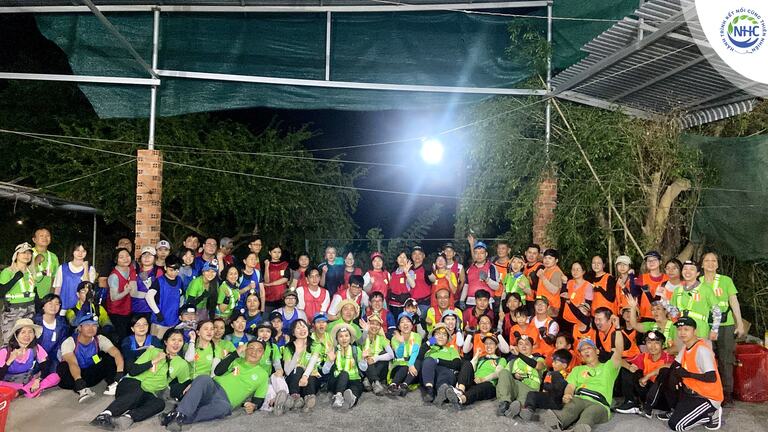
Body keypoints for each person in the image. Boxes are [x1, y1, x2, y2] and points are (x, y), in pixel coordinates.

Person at [90, 328, 191, 430]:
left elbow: (185, 383)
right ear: (166, 341)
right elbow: (133, 371)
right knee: (138, 389)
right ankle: (104, 415)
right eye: (173, 340)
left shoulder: (182, 364)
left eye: (180, 340)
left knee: (159, 404)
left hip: (147, 393)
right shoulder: (153, 351)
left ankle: (128, 417)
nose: (176, 343)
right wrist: (155, 360)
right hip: (130, 385)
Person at [160, 339, 269, 432]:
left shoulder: (263, 375)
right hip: (212, 387)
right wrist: (235, 353)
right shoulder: (235, 359)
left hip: (224, 401)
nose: (254, 352)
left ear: (263, 354)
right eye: (251, 348)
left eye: (259, 350)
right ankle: (180, 412)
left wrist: (254, 406)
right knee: (204, 378)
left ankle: (176, 416)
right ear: (245, 350)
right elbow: (217, 371)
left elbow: (258, 400)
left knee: (224, 409)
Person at [541, 331, 624, 432]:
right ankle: (557, 421)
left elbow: (619, 350)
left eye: (588, 348)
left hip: (600, 403)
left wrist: (618, 329)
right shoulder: (577, 369)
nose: (585, 351)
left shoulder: (608, 367)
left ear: (597, 351)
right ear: (581, 356)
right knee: (572, 406)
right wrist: (567, 394)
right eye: (582, 350)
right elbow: (570, 386)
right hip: (580, 398)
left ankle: (581, 428)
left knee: (590, 413)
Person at [700, 251, 745, 405]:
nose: (710, 263)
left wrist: (739, 323)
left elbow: (734, 301)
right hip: (705, 325)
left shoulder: (726, 280)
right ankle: (707, 391)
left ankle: (727, 392)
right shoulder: (697, 282)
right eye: (707, 260)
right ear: (702, 264)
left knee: (726, 358)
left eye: (714, 261)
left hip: (725, 325)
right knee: (706, 358)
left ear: (718, 264)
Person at [666, 316, 724, 431]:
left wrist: (688, 374)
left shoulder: (702, 350)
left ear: (695, 331)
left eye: (686, 329)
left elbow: (711, 377)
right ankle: (679, 410)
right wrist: (675, 377)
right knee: (667, 374)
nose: (682, 332)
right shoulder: (686, 347)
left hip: (707, 397)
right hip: (691, 392)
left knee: (677, 426)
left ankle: (712, 415)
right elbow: (675, 365)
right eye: (679, 329)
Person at [57, 313, 125, 402]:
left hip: (91, 373)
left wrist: (120, 372)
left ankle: (114, 384)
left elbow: (116, 353)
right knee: (63, 366)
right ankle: (82, 389)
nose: (91, 328)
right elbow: (72, 363)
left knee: (109, 357)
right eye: (87, 325)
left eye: (94, 325)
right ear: (80, 328)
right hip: (75, 376)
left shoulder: (100, 339)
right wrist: (79, 381)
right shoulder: (69, 341)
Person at [615, 330, 674, 415]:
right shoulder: (644, 356)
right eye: (649, 343)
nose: (652, 346)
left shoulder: (668, 358)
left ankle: (649, 407)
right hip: (646, 392)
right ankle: (631, 402)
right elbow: (619, 360)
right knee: (628, 369)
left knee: (665, 372)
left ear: (663, 345)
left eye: (657, 343)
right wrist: (629, 367)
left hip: (662, 398)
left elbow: (670, 366)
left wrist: (648, 376)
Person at [0, 318, 60, 397]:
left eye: (30, 332)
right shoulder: (5, 351)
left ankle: (19, 392)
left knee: (55, 377)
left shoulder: (36, 348)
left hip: (27, 381)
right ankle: (26, 391)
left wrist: (38, 380)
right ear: (16, 335)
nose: (27, 335)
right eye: (23, 332)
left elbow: (45, 367)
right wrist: (9, 360)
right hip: (8, 382)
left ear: (34, 335)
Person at [444, 332, 506, 409]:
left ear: (496, 346)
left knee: (478, 389)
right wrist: (476, 356)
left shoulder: (501, 359)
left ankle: (460, 399)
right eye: (486, 343)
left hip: (489, 384)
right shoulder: (481, 358)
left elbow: (497, 373)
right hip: (474, 381)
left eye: (491, 343)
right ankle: (460, 391)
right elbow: (470, 368)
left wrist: (483, 379)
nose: (488, 346)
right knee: (467, 363)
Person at [496, 335, 547, 417]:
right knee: (503, 372)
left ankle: (514, 408)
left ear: (532, 347)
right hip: (514, 389)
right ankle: (505, 403)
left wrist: (519, 354)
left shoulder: (538, 359)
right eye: (520, 344)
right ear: (517, 347)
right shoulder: (512, 362)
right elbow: (504, 378)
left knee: (522, 402)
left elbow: (538, 366)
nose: (523, 346)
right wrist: (514, 376)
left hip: (530, 391)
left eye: (527, 344)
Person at [670, 260, 721, 341]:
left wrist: (714, 330)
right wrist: (663, 301)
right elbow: (673, 313)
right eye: (685, 269)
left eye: (692, 269)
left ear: (697, 273)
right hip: (681, 330)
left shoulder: (706, 289)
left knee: (700, 349)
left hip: (699, 329)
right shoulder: (677, 291)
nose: (688, 272)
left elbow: (717, 311)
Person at [323, 323, 367, 409]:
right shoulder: (333, 350)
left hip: (354, 379)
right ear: (337, 339)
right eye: (341, 336)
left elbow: (364, 369)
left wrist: (362, 359)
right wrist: (330, 361)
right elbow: (324, 371)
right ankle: (339, 395)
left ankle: (351, 399)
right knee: (344, 374)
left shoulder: (356, 350)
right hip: (337, 380)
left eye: (346, 336)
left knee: (356, 389)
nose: (344, 339)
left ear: (350, 338)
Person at [520, 349, 572, 421]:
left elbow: (558, 388)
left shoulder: (563, 375)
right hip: (551, 398)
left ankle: (529, 410)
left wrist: (547, 385)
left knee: (533, 394)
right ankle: (528, 410)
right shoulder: (553, 373)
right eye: (553, 362)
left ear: (564, 365)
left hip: (557, 400)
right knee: (532, 394)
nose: (553, 364)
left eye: (555, 362)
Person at [282, 319, 322, 412]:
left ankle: (308, 399)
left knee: (311, 376)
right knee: (298, 369)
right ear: (293, 333)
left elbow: (312, 363)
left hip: (309, 378)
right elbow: (287, 371)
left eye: (303, 326)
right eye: (298, 328)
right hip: (294, 380)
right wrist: (297, 352)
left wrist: (305, 376)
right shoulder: (289, 348)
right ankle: (295, 397)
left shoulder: (315, 345)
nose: (302, 330)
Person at [1, 242, 37, 341]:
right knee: (9, 340)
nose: (27, 255)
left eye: (29, 253)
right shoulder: (8, 272)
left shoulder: (31, 273)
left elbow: (34, 292)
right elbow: (1, 292)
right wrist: (15, 279)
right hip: (13, 310)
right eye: (23, 252)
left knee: (26, 340)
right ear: (16, 255)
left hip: (30, 309)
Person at [420, 323, 462, 403]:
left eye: (444, 335)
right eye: (438, 334)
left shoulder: (451, 350)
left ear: (447, 338)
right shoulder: (428, 349)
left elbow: (457, 364)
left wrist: (438, 361)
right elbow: (419, 357)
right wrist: (430, 341)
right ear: (433, 337)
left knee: (444, 372)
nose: (441, 336)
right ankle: (430, 391)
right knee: (429, 360)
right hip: (429, 375)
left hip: (447, 374)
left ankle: (443, 391)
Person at [53, 241, 97, 313]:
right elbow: (57, 289)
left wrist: (85, 269)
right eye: (77, 250)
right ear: (72, 251)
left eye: (83, 251)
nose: (80, 253)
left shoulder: (90, 269)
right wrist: (55, 305)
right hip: (63, 309)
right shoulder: (62, 268)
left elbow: (88, 287)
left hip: (81, 310)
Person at [147, 255, 183, 338]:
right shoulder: (159, 281)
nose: (174, 272)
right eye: (171, 270)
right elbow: (148, 297)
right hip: (159, 322)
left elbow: (181, 296)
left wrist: (180, 311)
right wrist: (158, 313)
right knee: (156, 344)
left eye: (177, 270)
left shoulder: (179, 280)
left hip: (174, 321)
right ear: (165, 267)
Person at [33, 294, 69, 376]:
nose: (53, 306)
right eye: (50, 303)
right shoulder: (35, 322)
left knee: (56, 374)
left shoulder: (62, 323)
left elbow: (63, 341)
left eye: (57, 304)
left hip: (53, 357)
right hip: (36, 356)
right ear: (43, 306)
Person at [388, 312, 423, 396]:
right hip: (398, 367)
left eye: (408, 321)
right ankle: (394, 385)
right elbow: (399, 355)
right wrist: (402, 343)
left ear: (412, 325)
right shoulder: (394, 338)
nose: (405, 324)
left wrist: (410, 364)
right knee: (405, 367)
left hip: (413, 368)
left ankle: (404, 385)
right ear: (399, 326)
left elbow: (415, 351)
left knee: (417, 361)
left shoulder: (417, 336)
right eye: (402, 322)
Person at [106, 248, 135, 343]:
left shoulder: (130, 268)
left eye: (127, 256)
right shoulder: (114, 276)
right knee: (121, 337)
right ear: (116, 260)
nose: (125, 259)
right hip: (116, 312)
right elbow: (113, 298)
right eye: (121, 257)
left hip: (127, 309)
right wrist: (126, 291)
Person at [359, 314, 393, 396]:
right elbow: (360, 342)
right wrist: (365, 331)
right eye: (372, 323)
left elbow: (391, 355)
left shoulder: (382, 339)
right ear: (368, 324)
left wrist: (375, 358)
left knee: (383, 353)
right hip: (364, 367)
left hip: (378, 368)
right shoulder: (363, 336)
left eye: (377, 324)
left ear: (380, 327)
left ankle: (370, 380)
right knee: (366, 357)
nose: (374, 326)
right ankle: (375, 382)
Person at [462, 239, 499, 309]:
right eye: (476, 253)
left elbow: (496, 287)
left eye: (481, 253)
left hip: (486, 302)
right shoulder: (470, 268)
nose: (479, 255)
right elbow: (466, 285)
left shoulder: (491, 267)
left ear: (486, 254)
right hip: (470, 302)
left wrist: (487, 279)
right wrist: (462, 300)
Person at [634, 251, 669, 321]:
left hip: (663, 316)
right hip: (645, 316)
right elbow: (634, 295)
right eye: (649, 260)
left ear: (660, 262)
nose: (651, 262)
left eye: (654, 260)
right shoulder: (642, 278)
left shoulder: (668, 278)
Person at [132, 246, 162, 322]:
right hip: (136, 309)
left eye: (150, 255)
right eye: (144, 255)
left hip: (152, 310)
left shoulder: (158, 272)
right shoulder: (135, 271)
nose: (146, 257)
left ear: (155, 258)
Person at [562, 262, 594, 328]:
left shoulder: (588, 286)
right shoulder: (570, 282)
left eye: (578, 269)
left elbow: (587, 307)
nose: (575, 272)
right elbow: (563, 294)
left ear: (583, 272)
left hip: (579, 321)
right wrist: (564, 283)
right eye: (573, 269)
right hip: (566, 318)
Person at [31, 227, 59, 300]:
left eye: (47, 235)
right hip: (28, 296)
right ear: (34, 239)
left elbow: (54, 277)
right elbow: (21, 273)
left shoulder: (53, 257)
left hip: (46, 297)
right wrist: (35, 261)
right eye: (41, 236)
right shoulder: (26, 253)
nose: (45, 238)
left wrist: (51, 295)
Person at [535, 249, 564, 316]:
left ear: (556, 260)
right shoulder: (546, 269)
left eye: (550, 258)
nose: (547, 260)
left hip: (551, 307)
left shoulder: (556, 272)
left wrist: (542, 277)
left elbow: (554, 290)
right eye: (545, 258)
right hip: (542, 305)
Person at [263, 244, 290, 313]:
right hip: (268, 297)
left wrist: (270, 284)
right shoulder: (265, 264)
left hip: (282, 297)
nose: (277, 254)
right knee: (267, 317)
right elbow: (266, 281)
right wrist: (266, 267)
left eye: (279, 252)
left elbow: (285, 279)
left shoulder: (285, 264)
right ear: (270, 252)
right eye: (274, 252)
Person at [387, 251, 415, 318]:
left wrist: (406, 273)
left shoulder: (410, 272)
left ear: (407, 260)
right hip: (392, 304)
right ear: (396, 260)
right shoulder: (393, 273)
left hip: (404, 306)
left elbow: (413, 285)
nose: (402, 259)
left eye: (404, 257)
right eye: (400, 257)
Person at [409, 246, 433, 317]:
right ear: (411, 256)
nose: (417, 256)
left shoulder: (427, 267)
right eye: (414, 253)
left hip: (424, 303)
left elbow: (433, 280)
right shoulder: (408, 268)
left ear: (423, 256)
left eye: (419, 254)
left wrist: (429, 272)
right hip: (411, 303)